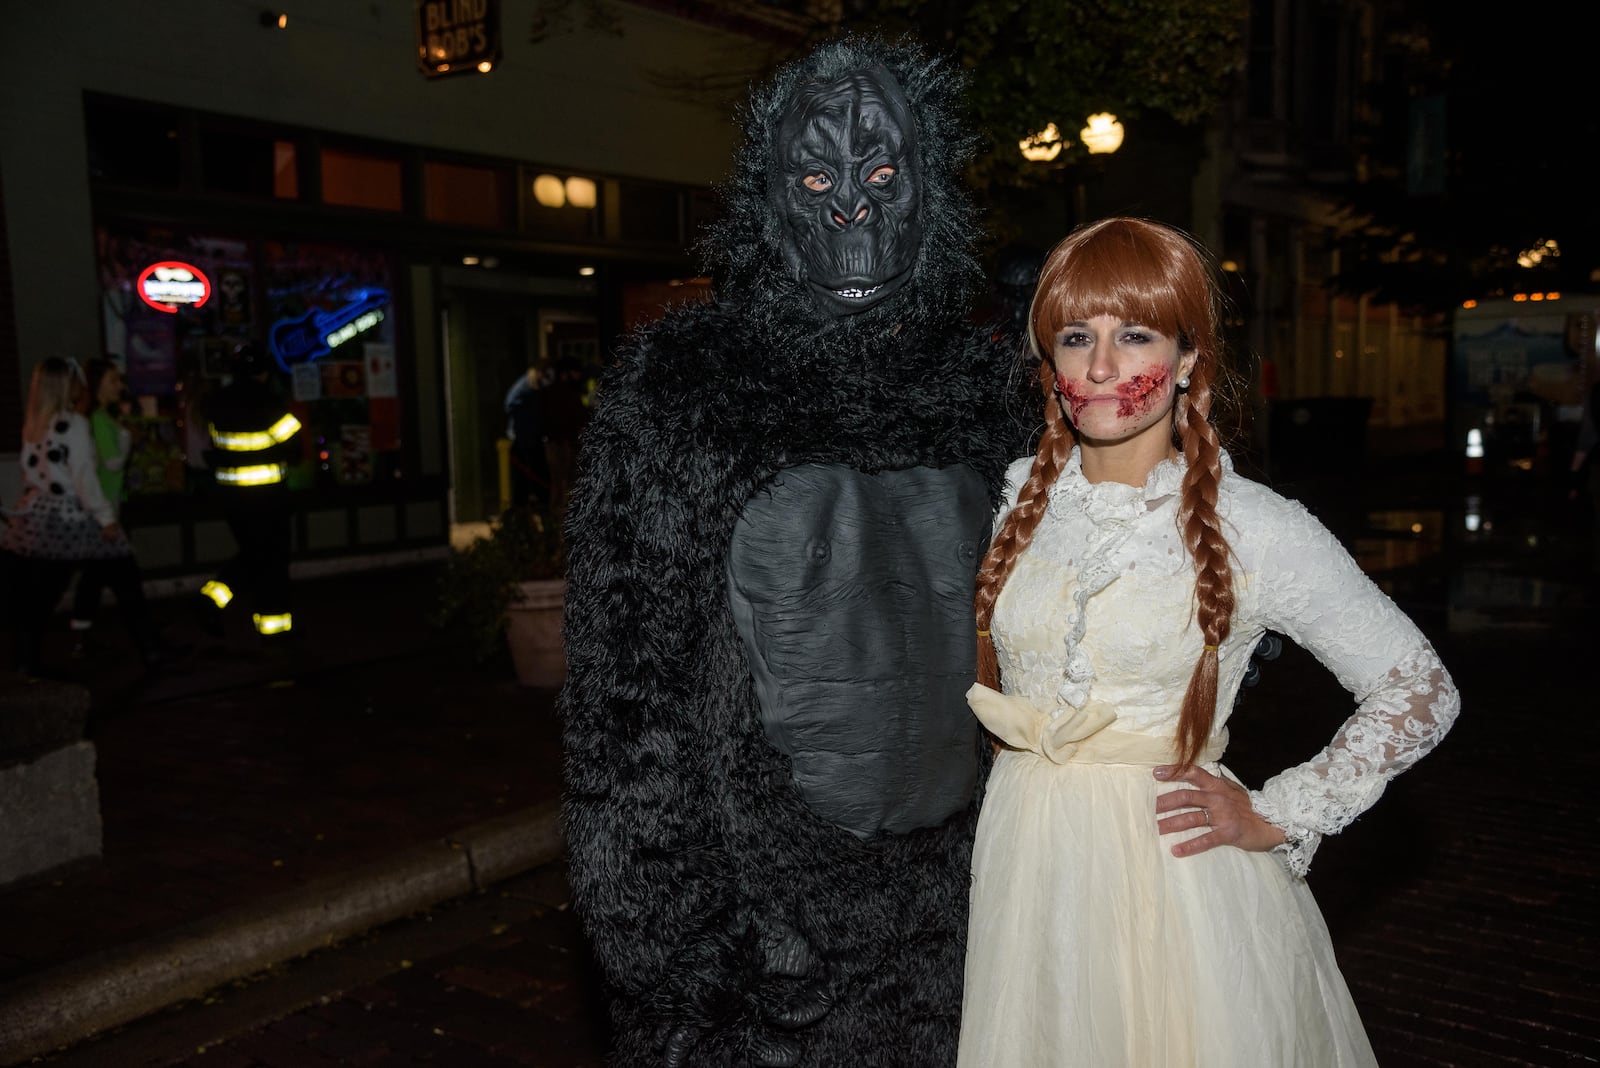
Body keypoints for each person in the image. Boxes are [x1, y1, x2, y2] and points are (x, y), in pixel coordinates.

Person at [560, 35, 1029, 1066]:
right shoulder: (685, 391)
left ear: (928, 187)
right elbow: (626, 693)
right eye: (817, 174)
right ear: (769, 203)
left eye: (881, 172)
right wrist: (668, 939)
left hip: (964, 913)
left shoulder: (989, 395)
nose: (851, 207)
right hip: (770, 944)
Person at [959, 217, 1462, 1066]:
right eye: (1078, 337)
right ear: (1049, 364)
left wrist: (1279, 810)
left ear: (1189, 359)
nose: (1105, 365)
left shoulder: (1254, 526)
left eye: (1137, 334)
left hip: (1173, 880)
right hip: (1031, 860)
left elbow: (1419, 687)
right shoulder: (1017, 501)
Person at [1, 357, 158, 676]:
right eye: (76, 380)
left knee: (38, 598)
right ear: (67, 384)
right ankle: (151, 650)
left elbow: (33, 472)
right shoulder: (74, 424)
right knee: (127, 581)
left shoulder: (34, 422)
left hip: (40, 519)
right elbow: (84, 477)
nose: (81, 385)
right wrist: (105, 518)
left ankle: (25, 663)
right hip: (75, 518)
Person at [195, 340, 302, 647]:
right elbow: (295, 451)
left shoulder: (216, 403)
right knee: (269, 559)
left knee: (257, 558)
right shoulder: (271, 404)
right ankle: (215, 602)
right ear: (264, 373)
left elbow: (215, 447)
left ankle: (270, 626)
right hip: (268, 499)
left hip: (231, 499)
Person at [67, 357, 141, 657]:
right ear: (97, 386)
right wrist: (127, 439)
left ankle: (83, 635)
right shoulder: (98, 418)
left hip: (105, 507)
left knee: (96, 575)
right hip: (102, 510)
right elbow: (112, 461)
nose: (119, 386)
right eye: (113, 380)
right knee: (122, 575)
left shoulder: (104, 417)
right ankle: (145, 640)